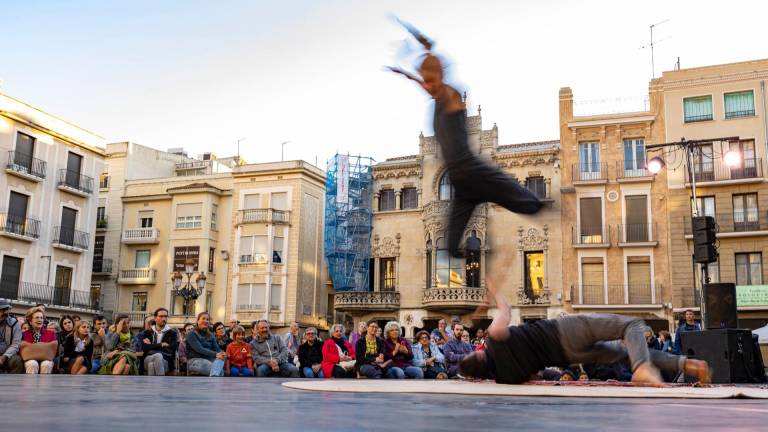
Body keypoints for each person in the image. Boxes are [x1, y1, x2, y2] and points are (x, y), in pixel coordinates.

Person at [388, 26, 543, 259]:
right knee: (450, 247)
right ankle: (468, 257)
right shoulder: (437, 97)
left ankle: (543, 205)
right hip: (461, 182)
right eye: (425, 81)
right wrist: (405, 74)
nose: (426, 85)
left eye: (429, 80)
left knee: (527, 203)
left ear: (438, 76)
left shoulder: (451, 95)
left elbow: (435, 76)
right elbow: (427, 83)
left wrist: (423, 45)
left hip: (472, 170)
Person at [458, 272, 711, 385]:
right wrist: (492, 290)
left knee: (627, 353)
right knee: (632, 325)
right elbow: (506, 310)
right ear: (477, 354)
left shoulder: (505, 377)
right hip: (565, 331)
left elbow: (534, 376)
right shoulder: (493, 339)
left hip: (567, 356)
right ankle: (643, 369)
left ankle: (686, 365)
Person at [186, 312, 226, 377]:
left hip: (210, 360)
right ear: (198, 321)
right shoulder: (191, 334)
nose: (206, 321)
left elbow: (217, 348)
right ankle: (215, 381)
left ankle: (214, 382)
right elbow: (199, 349)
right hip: (195, 360)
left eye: (207, 319)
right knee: (214, 369)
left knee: (220, 370)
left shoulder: (211, 335)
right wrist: (215, 354)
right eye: (203, 319)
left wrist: (222, 354)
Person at [142, 308, 179, 376]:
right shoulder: (148, 332)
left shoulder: (172, 333)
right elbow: (144, 347)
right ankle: (161, 383)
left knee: (152, 365)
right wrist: (161, 345)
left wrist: (152, 346)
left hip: (166, 360)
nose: (164, 318)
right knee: (158, 356)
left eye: (165, 316)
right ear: (155, 318)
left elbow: (172, 348)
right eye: (161, 316)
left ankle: (152, 386)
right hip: (148, 358)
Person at [21, 306, 58, 374]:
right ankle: (30, 384)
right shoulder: (24, 334)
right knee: (32, 364)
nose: (40, 320)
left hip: (47, 359)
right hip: (29, 359)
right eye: (37, 317)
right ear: (30, 321)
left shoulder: (51, 334)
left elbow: (54, 350)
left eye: (41, 318)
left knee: (46, 364)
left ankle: (44, 385)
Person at [0, 299, 25, 373]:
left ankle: (13, 383)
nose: (6, 312)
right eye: (2, 310)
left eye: (7, 309)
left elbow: (16, 344)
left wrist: (4, 356)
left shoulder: (14, 323)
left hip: (8, 354)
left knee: (17, 360)